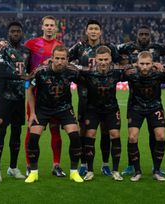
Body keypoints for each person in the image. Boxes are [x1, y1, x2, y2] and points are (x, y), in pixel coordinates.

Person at [118, 25, 165, 176]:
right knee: (132, 135)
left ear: (150, 35)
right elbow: (113, 51)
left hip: (154, 96)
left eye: (146, 34)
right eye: (141, 34)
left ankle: (156, 167)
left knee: (154, 134)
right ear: (137, 35)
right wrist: (125, 64)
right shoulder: (128, 47)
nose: (143, 36)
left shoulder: (156, 48)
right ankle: (131, 165)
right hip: (134, 98)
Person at [69, 20, 121, 177]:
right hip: (85, 99)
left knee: (106, 132)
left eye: (96, 29)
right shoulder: (79, 47)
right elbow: (66, 59)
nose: (93, 31)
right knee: (85, 133)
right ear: (86, 31)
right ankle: (84, 164)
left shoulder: (109, 47)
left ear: (100, 31)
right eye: (90, 28)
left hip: (104, 95)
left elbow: (120, 63)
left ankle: (105, 164)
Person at [25, 45, 83, 183]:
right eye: (57, 58)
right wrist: (32, 113)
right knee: (33, 137)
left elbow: (84, 84)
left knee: (75, 136)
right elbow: (30, 90)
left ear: (67, 59)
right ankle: (33, 172)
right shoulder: (40, 72)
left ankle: (74, 172)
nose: (59, 61)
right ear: (52, 58)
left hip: (64, 108)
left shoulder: (72, 71)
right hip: (43, 108)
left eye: (63, 58)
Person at [24, 15, 65, 177]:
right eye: (46, 25)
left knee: (56, 131)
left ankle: (56, 165)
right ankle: (29, 165)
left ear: (55, 28)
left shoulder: (60, 46)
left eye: (52, 25)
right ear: (42, 27)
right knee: (31, 130)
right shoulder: (31, 44)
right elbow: (23, 63)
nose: (49, 28)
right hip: (35, 96)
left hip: (54, 97)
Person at [0, 21, 31, 182]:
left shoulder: (26, 51)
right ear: (8, 33)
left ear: (22, 33)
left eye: (18, 31)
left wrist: (29, 79)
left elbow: (29, 72)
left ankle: (13, 167)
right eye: (12, 31)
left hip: (19, 99)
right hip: (4, 99)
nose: (15, 33)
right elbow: (1, 71)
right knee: (1, 132)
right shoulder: (1, 48)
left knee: (16, 133)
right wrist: (23, 76)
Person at [79, 46, 124, 181]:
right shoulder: (88, 73)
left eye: (106, 59)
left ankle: (115, 170)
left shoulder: (116, 73)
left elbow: (133, 70)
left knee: (115, 134)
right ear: (95, 60)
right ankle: (90, 170)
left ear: (110, 59)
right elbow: (72, 71)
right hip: (93, 109)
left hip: (111, 109)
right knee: (90, 134)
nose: (103, 62)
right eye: (100, 59)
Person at [124, 51, 165, 182]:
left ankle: (157, 170)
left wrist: (163, 68)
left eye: (147, 64)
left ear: (152, 64)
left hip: (155, 107)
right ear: (137, 64)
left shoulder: (159, 74)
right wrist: (129, 66)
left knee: (160, 136)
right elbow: (116, 71)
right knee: (132, 137)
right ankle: (137, 171)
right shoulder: (131, 74)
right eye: (141, 63)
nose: (144, 66)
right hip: (136, 108)